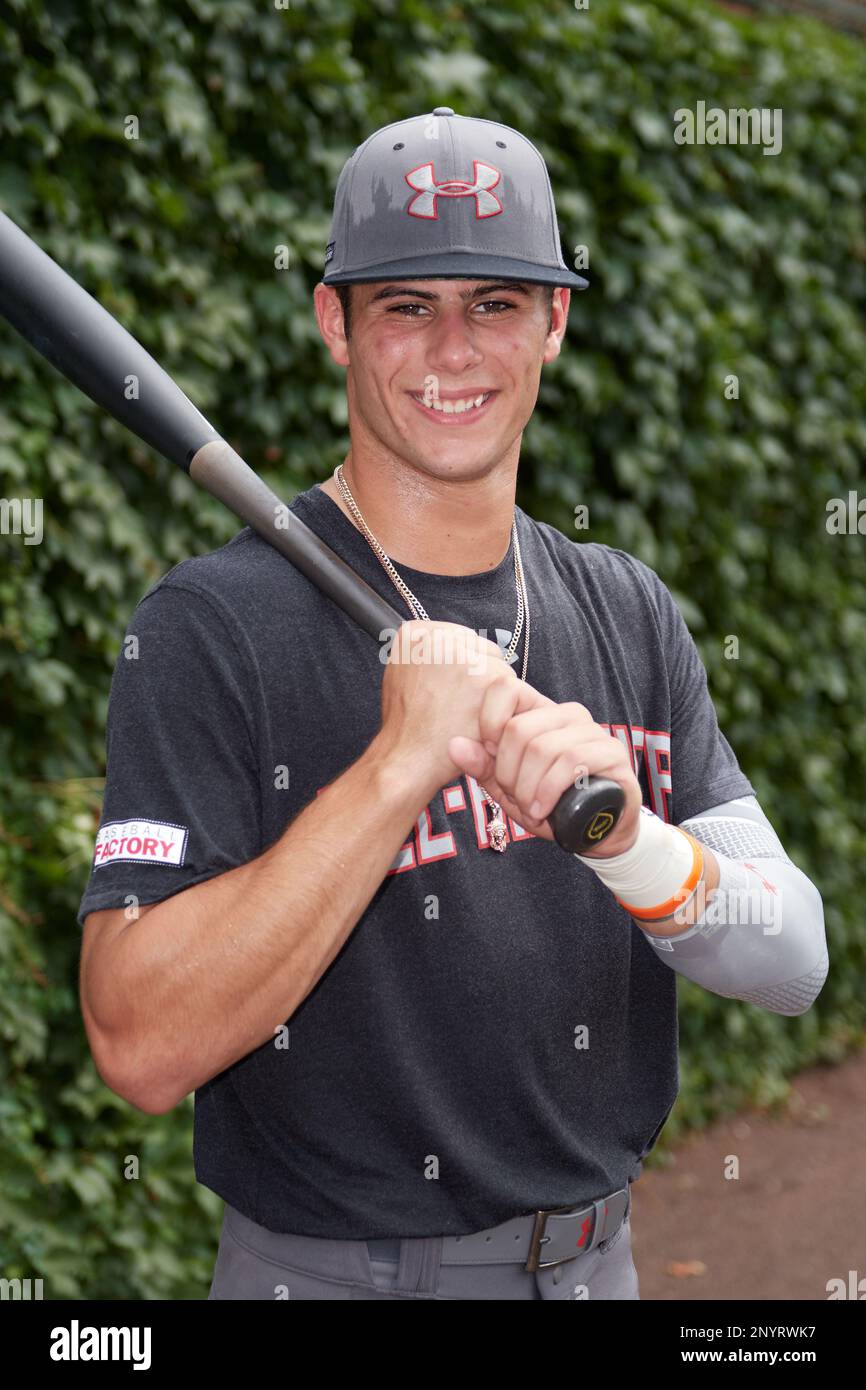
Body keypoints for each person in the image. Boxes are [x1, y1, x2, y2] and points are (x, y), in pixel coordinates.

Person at [78, 107, 828, 1301]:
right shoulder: (212, 627)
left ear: (554, 322)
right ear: (335, 323)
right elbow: (138, 1042)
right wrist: (397, 766)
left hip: (596, 1269)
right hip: (331, 1278)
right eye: (404, 306)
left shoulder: (622, 608)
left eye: (492, 303)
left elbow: (793, 957)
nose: (451, 351)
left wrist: (630, 845)